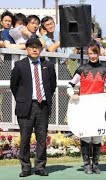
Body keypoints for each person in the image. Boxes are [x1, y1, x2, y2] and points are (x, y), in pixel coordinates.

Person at [67, 41, 106, 174]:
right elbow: (69, 85)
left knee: (97, 137)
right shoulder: (81, 69)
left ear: (99, 53)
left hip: (99, 107)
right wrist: (72, 94)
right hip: (84, 107)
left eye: (95, 53)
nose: (93, 56)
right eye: (90, 53)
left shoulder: (105, 70)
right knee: (85, 135)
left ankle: (95, 164)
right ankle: (86, 164)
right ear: (87, 54)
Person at [10, 38, 57, 177]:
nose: (35, 49)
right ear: (27, 49)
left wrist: (44, 99)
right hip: (26, 107)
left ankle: (40, 166)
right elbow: (14, 86)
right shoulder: (19, 65)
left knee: (42, 138)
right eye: (32, 47)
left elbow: (52, 86)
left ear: (41, 49)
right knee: (25, 138)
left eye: (37, 47)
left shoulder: (48, 65)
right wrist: (22, 99)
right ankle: (25, 167)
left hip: (42, 106)